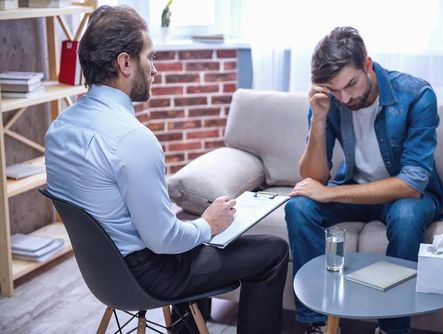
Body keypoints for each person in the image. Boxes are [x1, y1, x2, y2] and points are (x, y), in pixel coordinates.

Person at [44, 5, 288, 334]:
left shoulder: (58, 129)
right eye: (151, 57)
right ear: (125, 63)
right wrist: (208, 224)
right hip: (149, 275)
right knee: (272, 252)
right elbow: (165, 240)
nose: (155, 69)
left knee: (197, 237)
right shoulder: (132, 140)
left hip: (102, 275)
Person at [285, 26, 443, 334]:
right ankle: (317, 323)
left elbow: (412, 185)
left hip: (403, 197)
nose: (345, 97)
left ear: (368, 65)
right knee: (298, 208)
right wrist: (318, 118)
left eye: (351, 84)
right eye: (335, 90)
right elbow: (314, 177)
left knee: (406, 214)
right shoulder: (330, 100)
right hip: (354, 190)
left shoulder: (416, 96)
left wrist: (331, 194)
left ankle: (392, 328)